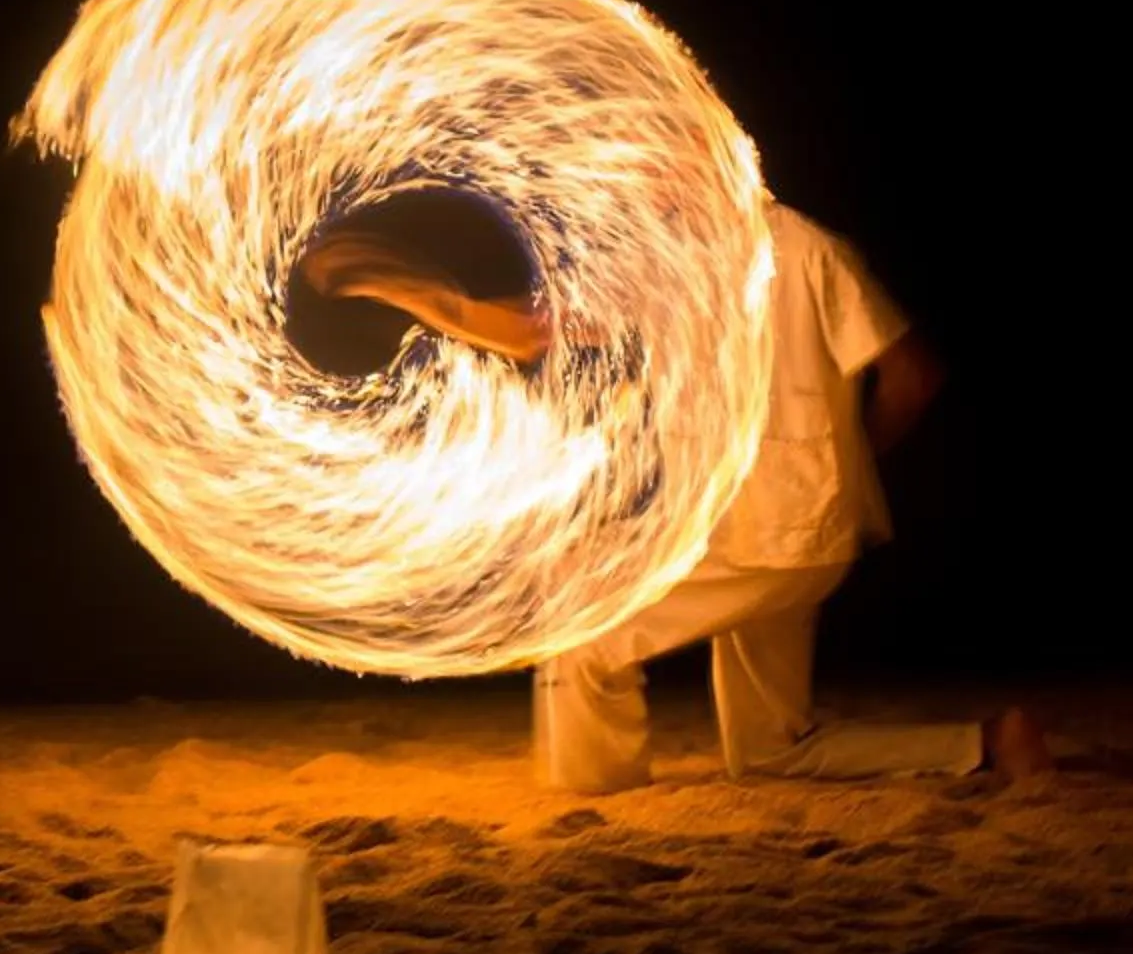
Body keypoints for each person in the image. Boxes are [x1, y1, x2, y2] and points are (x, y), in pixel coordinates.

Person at [298, 201, 1051, 792]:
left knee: (584, 628)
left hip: (773, 537)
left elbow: (915, 376)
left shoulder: (799, 253)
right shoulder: (684, 264)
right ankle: (990, 743)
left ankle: (591, 798)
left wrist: (844, 467)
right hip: (777, 530)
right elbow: (530, 332)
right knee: (771, 750)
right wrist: (398, 285)